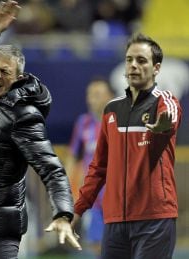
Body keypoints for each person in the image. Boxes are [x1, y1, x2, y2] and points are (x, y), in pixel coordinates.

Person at [0, 1, 81, 258]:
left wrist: (63, 212)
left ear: (18, 78)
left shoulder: (23, 117)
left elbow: (51, 168)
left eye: (5, 72)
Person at [72, 32, 182, 259]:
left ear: (156, 68)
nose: (134, 65)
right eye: (129, 59)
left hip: (154, 219)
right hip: (114, 221)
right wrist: (77, 210)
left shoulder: (165, 101)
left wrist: (163, 128)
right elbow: (98, 168)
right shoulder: (111, 110)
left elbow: (169, 118)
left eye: (141, 61)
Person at [67, 78, 114, 258]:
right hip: (93, 198)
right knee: (96, 244)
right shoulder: (83, 123)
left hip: (117, 197)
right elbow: (73, 157)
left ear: (110, 96)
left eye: (97, 94)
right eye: (89, 94)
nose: (91, 98)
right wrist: (67, 188)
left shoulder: (119, 121)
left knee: (118, 243)